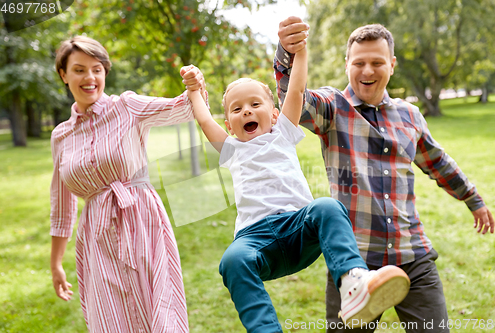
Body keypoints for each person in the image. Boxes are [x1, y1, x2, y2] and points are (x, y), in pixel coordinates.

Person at [275, 17, 494, 333]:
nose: (367, 71)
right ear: (347, 63)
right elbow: (290, 98)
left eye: (377, 62)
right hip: (354, 263)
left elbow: (438, 162)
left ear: (391, 64)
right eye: (359, 62)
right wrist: (287, 52)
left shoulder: (409, 115)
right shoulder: (333, 108)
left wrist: (473, 199)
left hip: (412, 253)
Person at [181, 41, 411, 333]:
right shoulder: (231, 149)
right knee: (232, 260)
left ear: (274, 114)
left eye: (255, 104)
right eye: (237, 109)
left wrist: (301, 52)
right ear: (229, 125)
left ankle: (354, 284)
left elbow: (297, 90)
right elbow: (203, 119)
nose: (247, 112)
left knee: (327, 206)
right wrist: (193, 90)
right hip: (257, 239)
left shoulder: (283, 132)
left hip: (298, 227)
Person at [50, 35, 206, 333]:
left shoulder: (127, 107)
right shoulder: (61, 136)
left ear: (105, 71)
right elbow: (62, 206)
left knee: (159, 313)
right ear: (63, 74)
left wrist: (194, 84)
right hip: (96, 236)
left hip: (141, 221)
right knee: (111, 321)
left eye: (97, 69)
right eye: (79, 69)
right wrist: (56, 263)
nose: (90, 77)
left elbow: (184, 108)